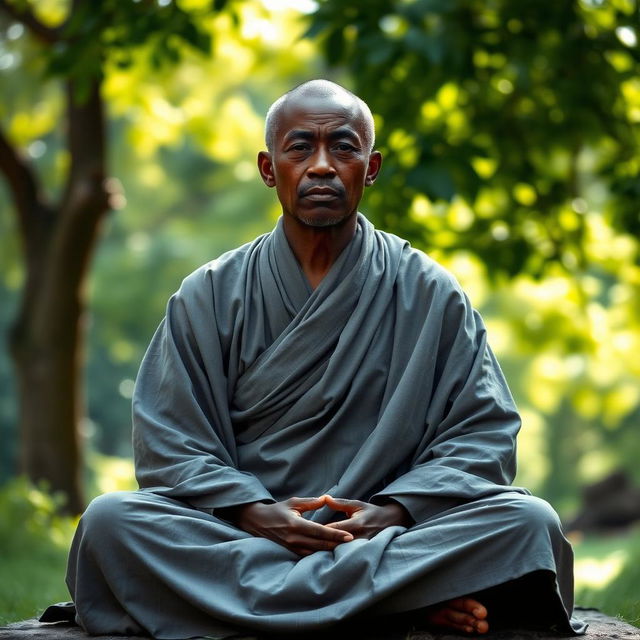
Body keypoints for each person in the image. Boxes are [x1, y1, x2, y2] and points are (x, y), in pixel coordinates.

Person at [63, 80, 586, 638]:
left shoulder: (429, 292)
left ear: (372, 165)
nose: (321, 166)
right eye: (299, 148)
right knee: (109, 523)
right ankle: (396, 605)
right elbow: (170, 442)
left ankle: (283, 605)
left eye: (343, 147)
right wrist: (253, 511)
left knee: (529, 523)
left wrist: (394, 511)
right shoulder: (209, 294)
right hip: (248, 535)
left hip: (383, 535)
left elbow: (484, 435)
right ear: (269, 169)